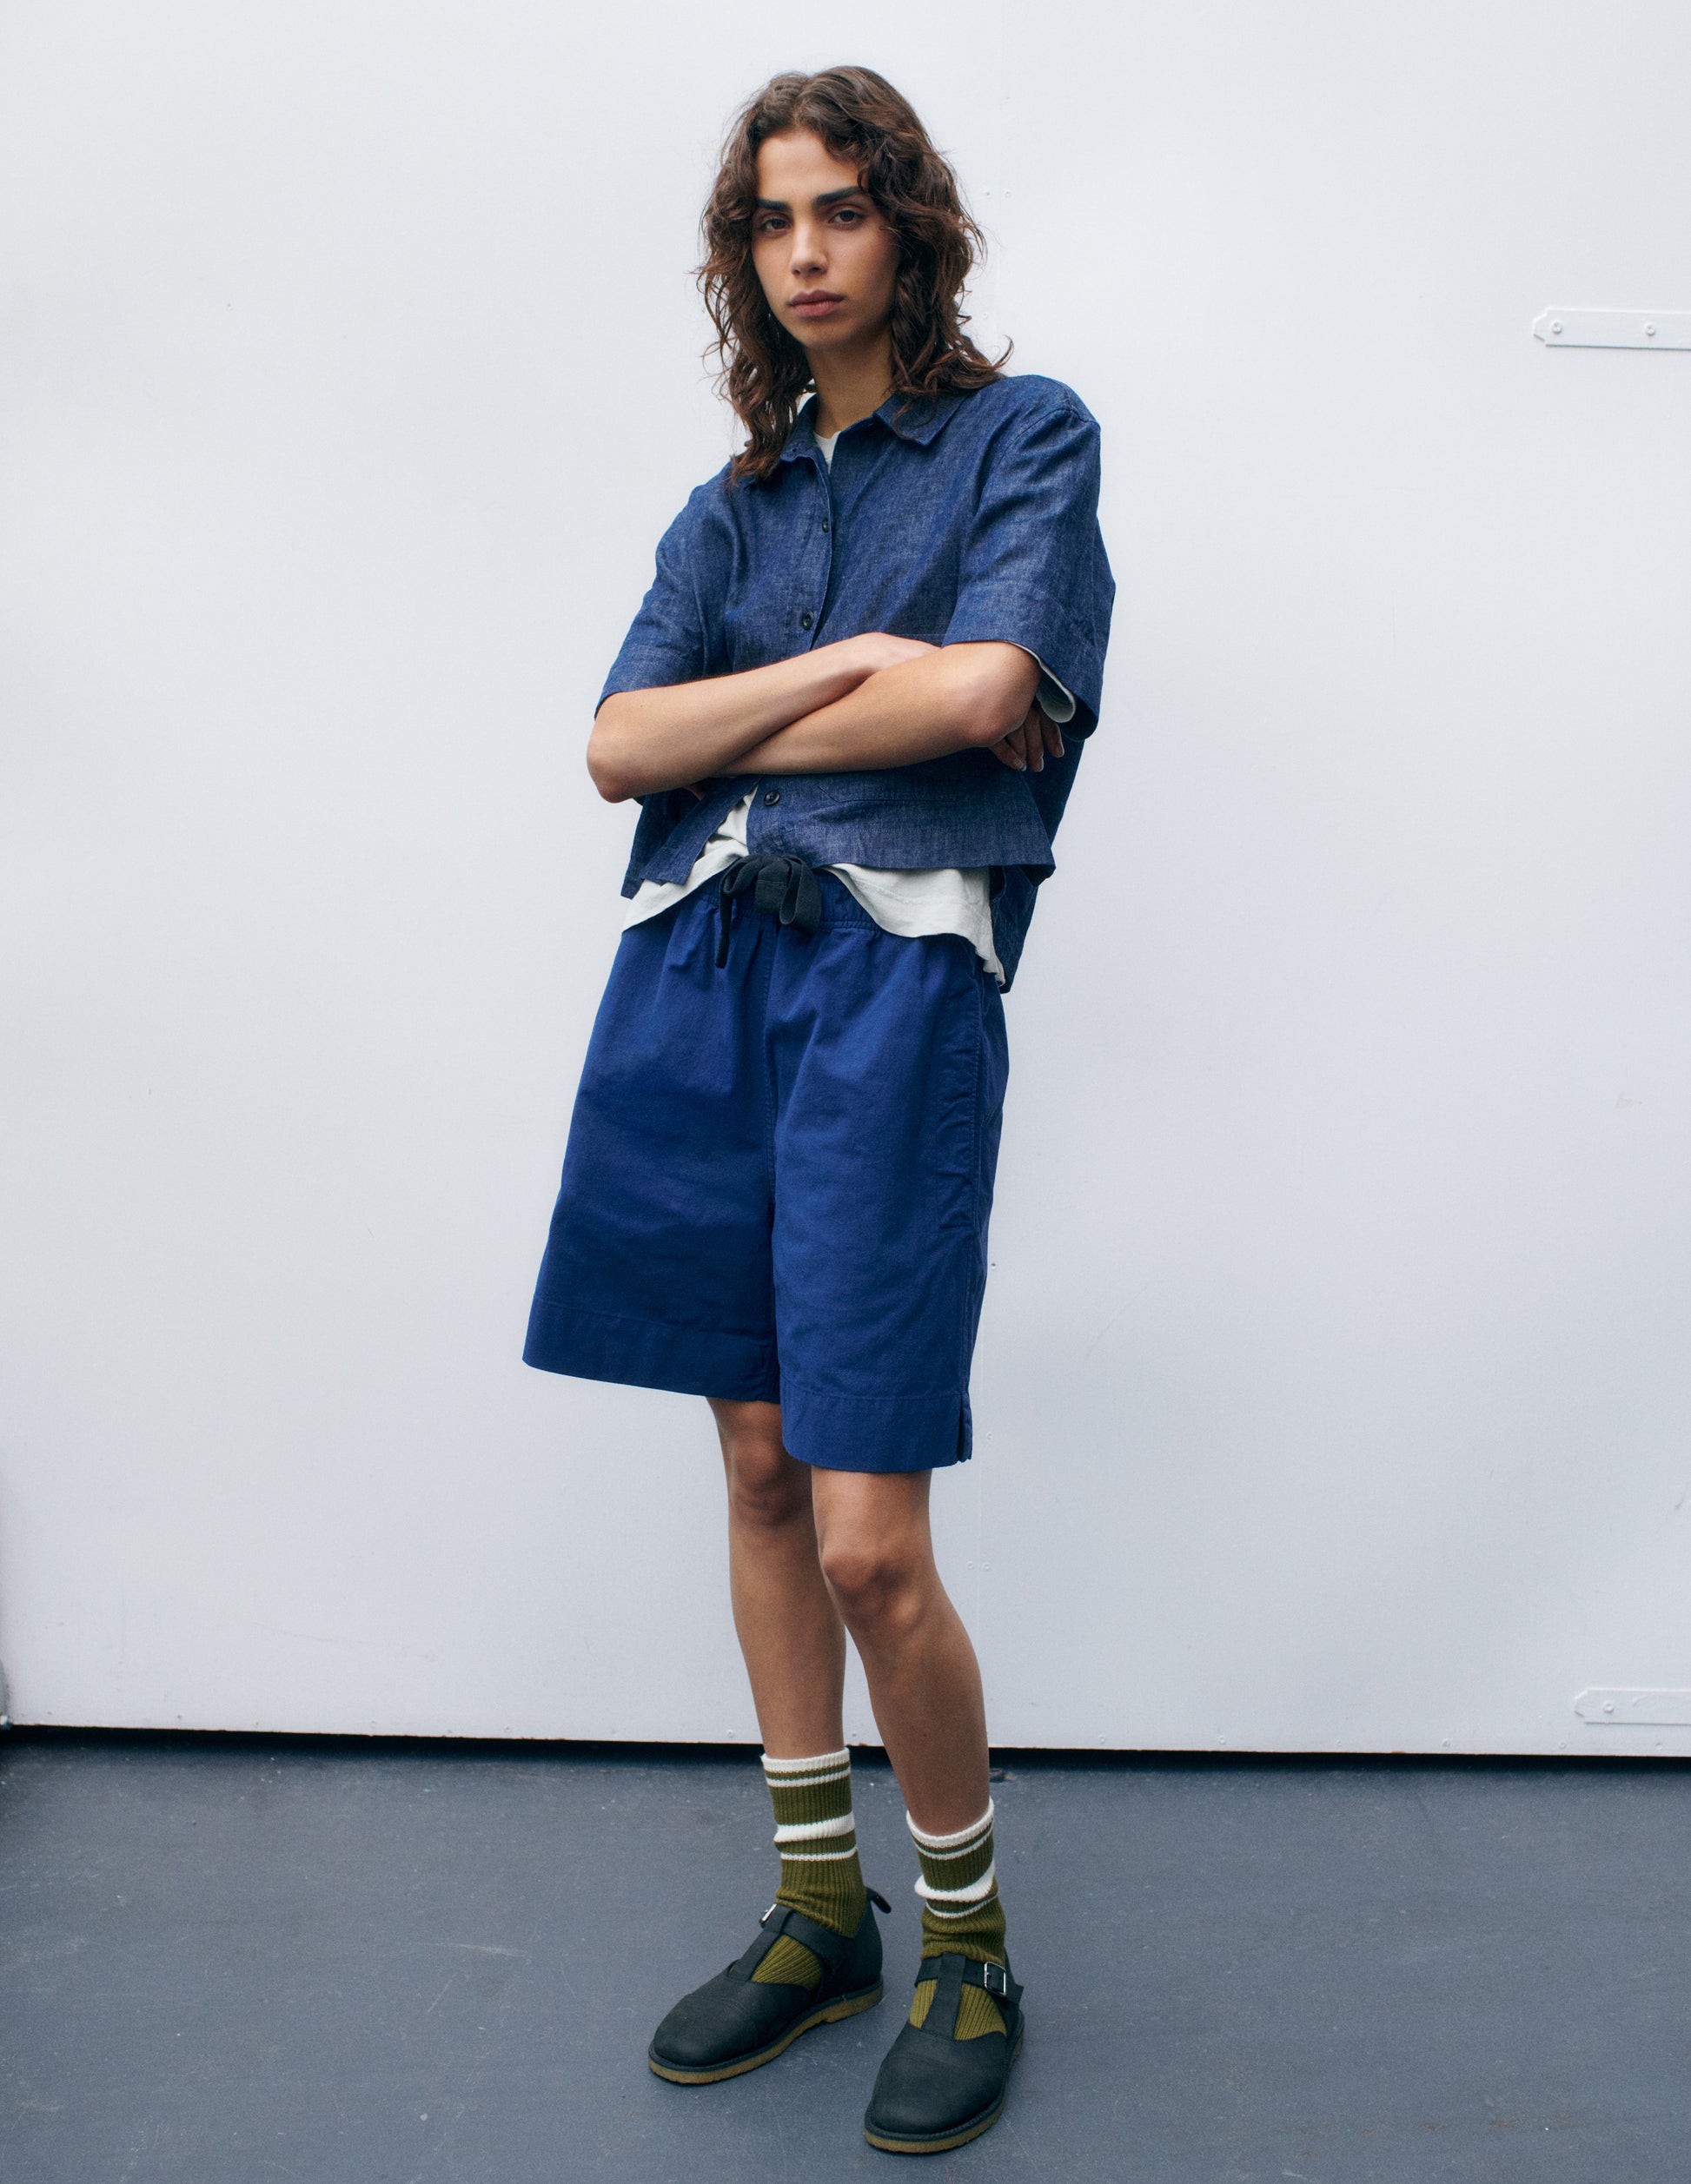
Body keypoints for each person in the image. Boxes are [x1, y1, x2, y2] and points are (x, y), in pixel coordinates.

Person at [523, 64, 1112, 2156]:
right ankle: (814, 1911)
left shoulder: (1026, 441)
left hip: (892, 985)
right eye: (772, 218)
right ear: (742, 254)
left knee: (870, 1533)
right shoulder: (734, 508)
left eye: (842, 210)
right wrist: (843, 658)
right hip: (697, 975)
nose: (804, 250)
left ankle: (963, 1939)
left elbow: (983, 697)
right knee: (762, 1471)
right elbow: (613, 745)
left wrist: (771, 711)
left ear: (906, 230)